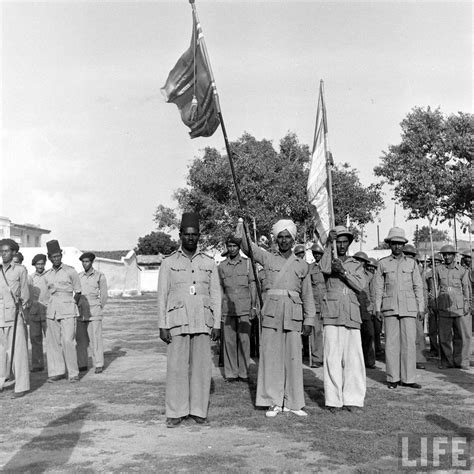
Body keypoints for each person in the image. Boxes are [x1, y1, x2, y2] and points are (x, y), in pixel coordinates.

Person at [236, 218, 315, 417]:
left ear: (293, 239)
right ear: (275, 239)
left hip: (293, 316)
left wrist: (309, 320)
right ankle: (273, 402)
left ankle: (294, 402)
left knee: (294, 359)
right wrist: (242, 226)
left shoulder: (302, 265)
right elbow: (248, 248)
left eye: (287, 237)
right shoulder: (268, 258)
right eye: (280, 237)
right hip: (271, 315)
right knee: (271, 358)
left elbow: (308, 296)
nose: (284, 240)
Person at [158, 212, 221, 428]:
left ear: (199, 236)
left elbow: (215, 295)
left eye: (194, 235)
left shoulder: (209, 262)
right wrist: (162, 324)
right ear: (180, 235)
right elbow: (162, 296)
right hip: (177, 321)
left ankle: (198, 410)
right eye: (187, 234)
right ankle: (176, 411)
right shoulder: (168, 263)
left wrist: (217, 323)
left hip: (202, 321)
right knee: (176, 367)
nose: (191, 238)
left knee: (202, 367)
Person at [321, 227, 366, 411]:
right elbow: (324, 268)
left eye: (344, 242)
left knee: (354, 359)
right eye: (337, 241)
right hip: (332, 313)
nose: (340, 245)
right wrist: (326, 245)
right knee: (332, 358)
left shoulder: (356, 264)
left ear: (349, 243)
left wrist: (343, 273)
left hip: (351, 313)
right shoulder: (329, 258)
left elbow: (360, 285)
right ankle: (333, 400)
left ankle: (353, 399)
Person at [374, 228, 424, 389]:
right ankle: (392, 378)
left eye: (400, 244)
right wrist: (377, 308)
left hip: (409, 308)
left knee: (409, 343)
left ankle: (409, 378)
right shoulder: (383, 263)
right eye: (394, 243)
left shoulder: (412, 263)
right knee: (391, 344)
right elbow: (378, 288)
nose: (397, 246)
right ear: (389, 244)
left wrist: (421, 307)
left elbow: (418, 286)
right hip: (390, 307)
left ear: (404, 245)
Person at [218, 235, 257, 382]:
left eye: (234, 246)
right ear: (226, 247)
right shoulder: (221, 266)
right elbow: (220, 288)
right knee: (229, 342)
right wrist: (220, 308)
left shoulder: (247, 264)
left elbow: (252, 285)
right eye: (229, 246)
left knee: (244, 340)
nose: (232, 249)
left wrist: (253, 306)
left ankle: (244, 372)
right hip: (228, 309)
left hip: (244, 308)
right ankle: (231, 373)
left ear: (239, 247)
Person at [44, 239, 82, 383]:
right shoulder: (47, 275)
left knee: (68, 341)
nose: (56, 259)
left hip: (68, 309)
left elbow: (78, 292)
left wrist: (72, 305)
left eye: (58, 256)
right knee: (53, 343)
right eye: (53, 257)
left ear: (61, 255)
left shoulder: (70, 271)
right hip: (53, 310)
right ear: (49, 258)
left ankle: (73, 373)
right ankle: (57, 372)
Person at [0, 239, 30, 397]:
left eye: (6, 251)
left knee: (17, 352)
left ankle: (21, 386)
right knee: (0, 352)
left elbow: (25, 294)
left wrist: (21, 308)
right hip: (0, 316)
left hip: (14, 315)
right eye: (2, 251)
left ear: (13, 253)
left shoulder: (20, 270)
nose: (3, 253)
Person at [435, 245, 470, 369]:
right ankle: (446, 362)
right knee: (444, 336)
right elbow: (433, 284)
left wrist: (467, 304)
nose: (447, 257)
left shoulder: (462, 270)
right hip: (444, 306)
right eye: (444, 254)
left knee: (462, 336)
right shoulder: (438, 270)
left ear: (454, 256)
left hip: (459, 308)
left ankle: (461, 361)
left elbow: (466, 289)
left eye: (449, 254)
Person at [76, 252, 108, 374]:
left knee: (96, 339)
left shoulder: (100, 276)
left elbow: (104, 296)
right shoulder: (78, 276)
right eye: (83, 261)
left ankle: (98, 363)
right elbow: (76, 294)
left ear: (92, 262)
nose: (85, 264)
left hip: (94, 312)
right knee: (81, 341)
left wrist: (98, 307)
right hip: (81, 312)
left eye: (87, 261)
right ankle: (82, 364)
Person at [403, 244, 427, 370]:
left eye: (411, 255)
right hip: (402, 304)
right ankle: (404, 359)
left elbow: (423, 288)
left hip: (416, 305)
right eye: (406, 254)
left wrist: (423, 306)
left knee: (418, 333)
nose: (409, 257)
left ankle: (419, 359)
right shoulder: (399, 267)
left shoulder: (419, 269)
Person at [353, 252, 377, 369]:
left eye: (361, 261)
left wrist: (372, 307)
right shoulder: (350, 274)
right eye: (357, 260)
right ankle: (357, 362)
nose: (359, 263)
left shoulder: (370, 276)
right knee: (355, 337)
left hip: (366, 309)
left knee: (369, 335)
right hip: (354, 308)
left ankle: (369, 361)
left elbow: (373, 294)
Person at [28, 254, 49, 372]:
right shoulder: (30, 278)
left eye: (42, 264)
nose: (40, 266)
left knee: (51, 339)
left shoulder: (49, 276)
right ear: (34, 265)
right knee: (35, 339)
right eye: (38, 264)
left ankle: (54, 364)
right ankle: (37, 365)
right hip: (34, 312)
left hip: (48, 311)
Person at [309, 243, 325, 368]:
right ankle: (317, 358)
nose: (317, 256)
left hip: (328, 304)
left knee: (330, 333)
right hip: (315, 304)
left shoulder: (328, 266)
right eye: (315, 254)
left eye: (319, 254)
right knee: (316, 332)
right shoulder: (310, 268)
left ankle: (329, 358)